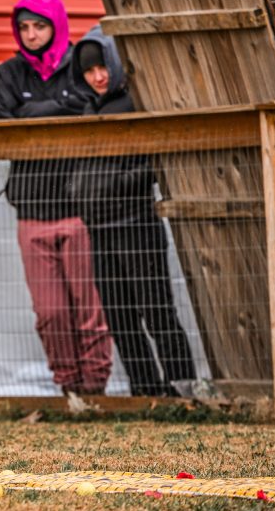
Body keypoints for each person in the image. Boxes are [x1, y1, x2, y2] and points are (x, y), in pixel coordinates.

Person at [0, 0, 113, 395]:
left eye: (39, 26)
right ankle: (70, 388)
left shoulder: (80, 65)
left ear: (56, 26)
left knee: (88, 307)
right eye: (23, 27)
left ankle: (95, 387)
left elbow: (88, 104)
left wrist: (30, 113)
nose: (30, 34)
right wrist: (57, 108)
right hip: (30, 210)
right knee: (51, 312)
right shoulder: (8, 73)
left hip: (78, 208)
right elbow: (1, 123)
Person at [68, 26, 196, 396]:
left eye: (102, 66)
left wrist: (112, 187)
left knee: (156, 311)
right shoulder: (88, 109)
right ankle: (145, 390)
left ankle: (182, 387)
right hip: (100, 229)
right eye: (89, 70)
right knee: (120, 317)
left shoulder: (137, 105)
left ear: (116, 63)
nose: (97, 76)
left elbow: (154, 163)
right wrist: (79, 191)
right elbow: (79, 170)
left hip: (137, 225)